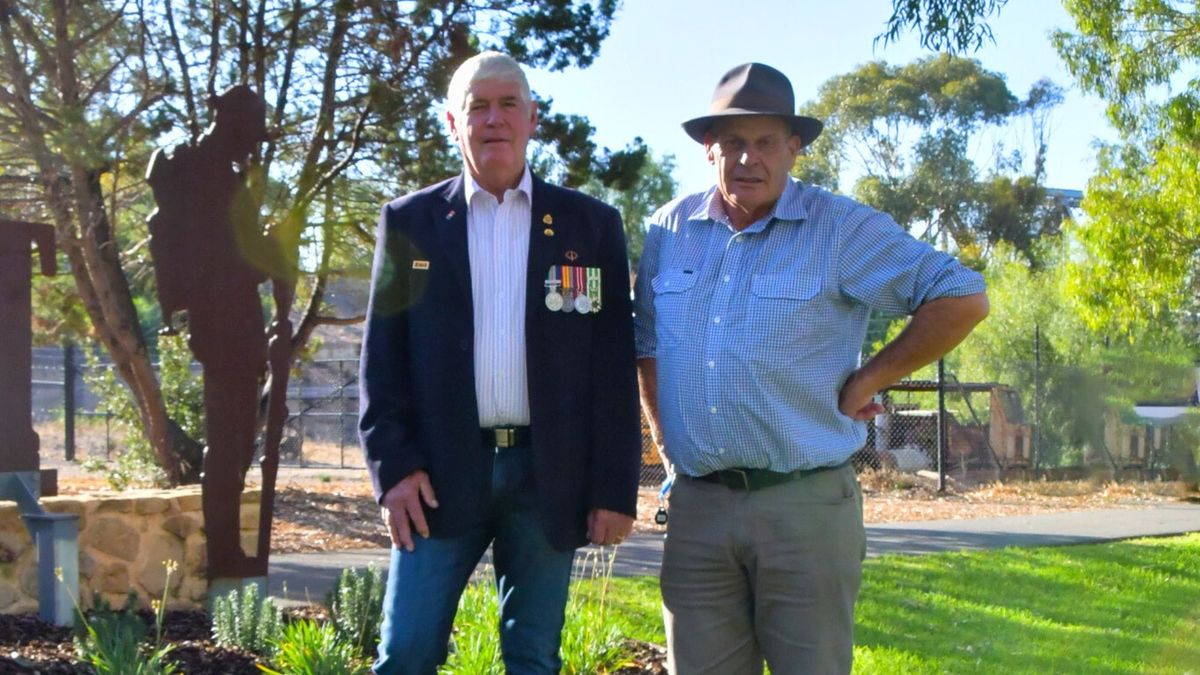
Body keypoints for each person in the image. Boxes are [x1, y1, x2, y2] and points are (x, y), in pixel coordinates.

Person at [633, 63, 989, 675]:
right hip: (698, 512)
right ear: (708, 149)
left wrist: (870, 379)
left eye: (766, 141)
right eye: (734, 142)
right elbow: (646, 342)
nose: (749, 158)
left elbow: (960, 295)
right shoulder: (669, 230)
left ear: (794, 148)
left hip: (803, 508)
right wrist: (666, 442)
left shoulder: (840, 229)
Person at [358, 51, 641, 675]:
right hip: (436, 477)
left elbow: (613, 372)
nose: (494, 119)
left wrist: (615, 489)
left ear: (532, 118)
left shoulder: (589, 227)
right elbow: (383, 359)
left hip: (550, 478)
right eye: (477, 106)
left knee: (533, 658)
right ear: (452, 123)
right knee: (404, 653)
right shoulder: (411, 223)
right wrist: (394, 469)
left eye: (508, 103)